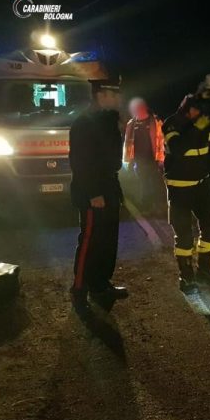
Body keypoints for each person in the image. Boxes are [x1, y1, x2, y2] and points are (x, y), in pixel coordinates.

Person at [162, 74, 210, 292]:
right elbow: (179, 148)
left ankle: (205, 270)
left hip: (201, 185)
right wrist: (200, 126)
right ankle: (186, 276)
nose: (200, 114)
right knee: (184, 236)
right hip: (179, 187)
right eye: (198, 110)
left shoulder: (201, 125)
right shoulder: (172, 124)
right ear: (188, 108)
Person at [69, 76, 128, 310]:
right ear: (101, 96)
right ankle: (80, 287)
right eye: (114, 95)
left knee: (107, 240)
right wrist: (93, 192)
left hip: (110, 187)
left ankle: (101, 284)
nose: (119, 99)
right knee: (90, 240)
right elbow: (81, 162)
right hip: (93, 190)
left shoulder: (109, 120)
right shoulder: (85, 123)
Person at [123, 97, 164, 213]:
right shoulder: (131, 124)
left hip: (153, 159)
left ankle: (157, 205)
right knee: (144, 183)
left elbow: (161, 142)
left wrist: (161, 159)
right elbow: (128, 144)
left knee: (155, 183)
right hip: (138, 160)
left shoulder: (156, 122)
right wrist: (128, 160)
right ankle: (147, 205)